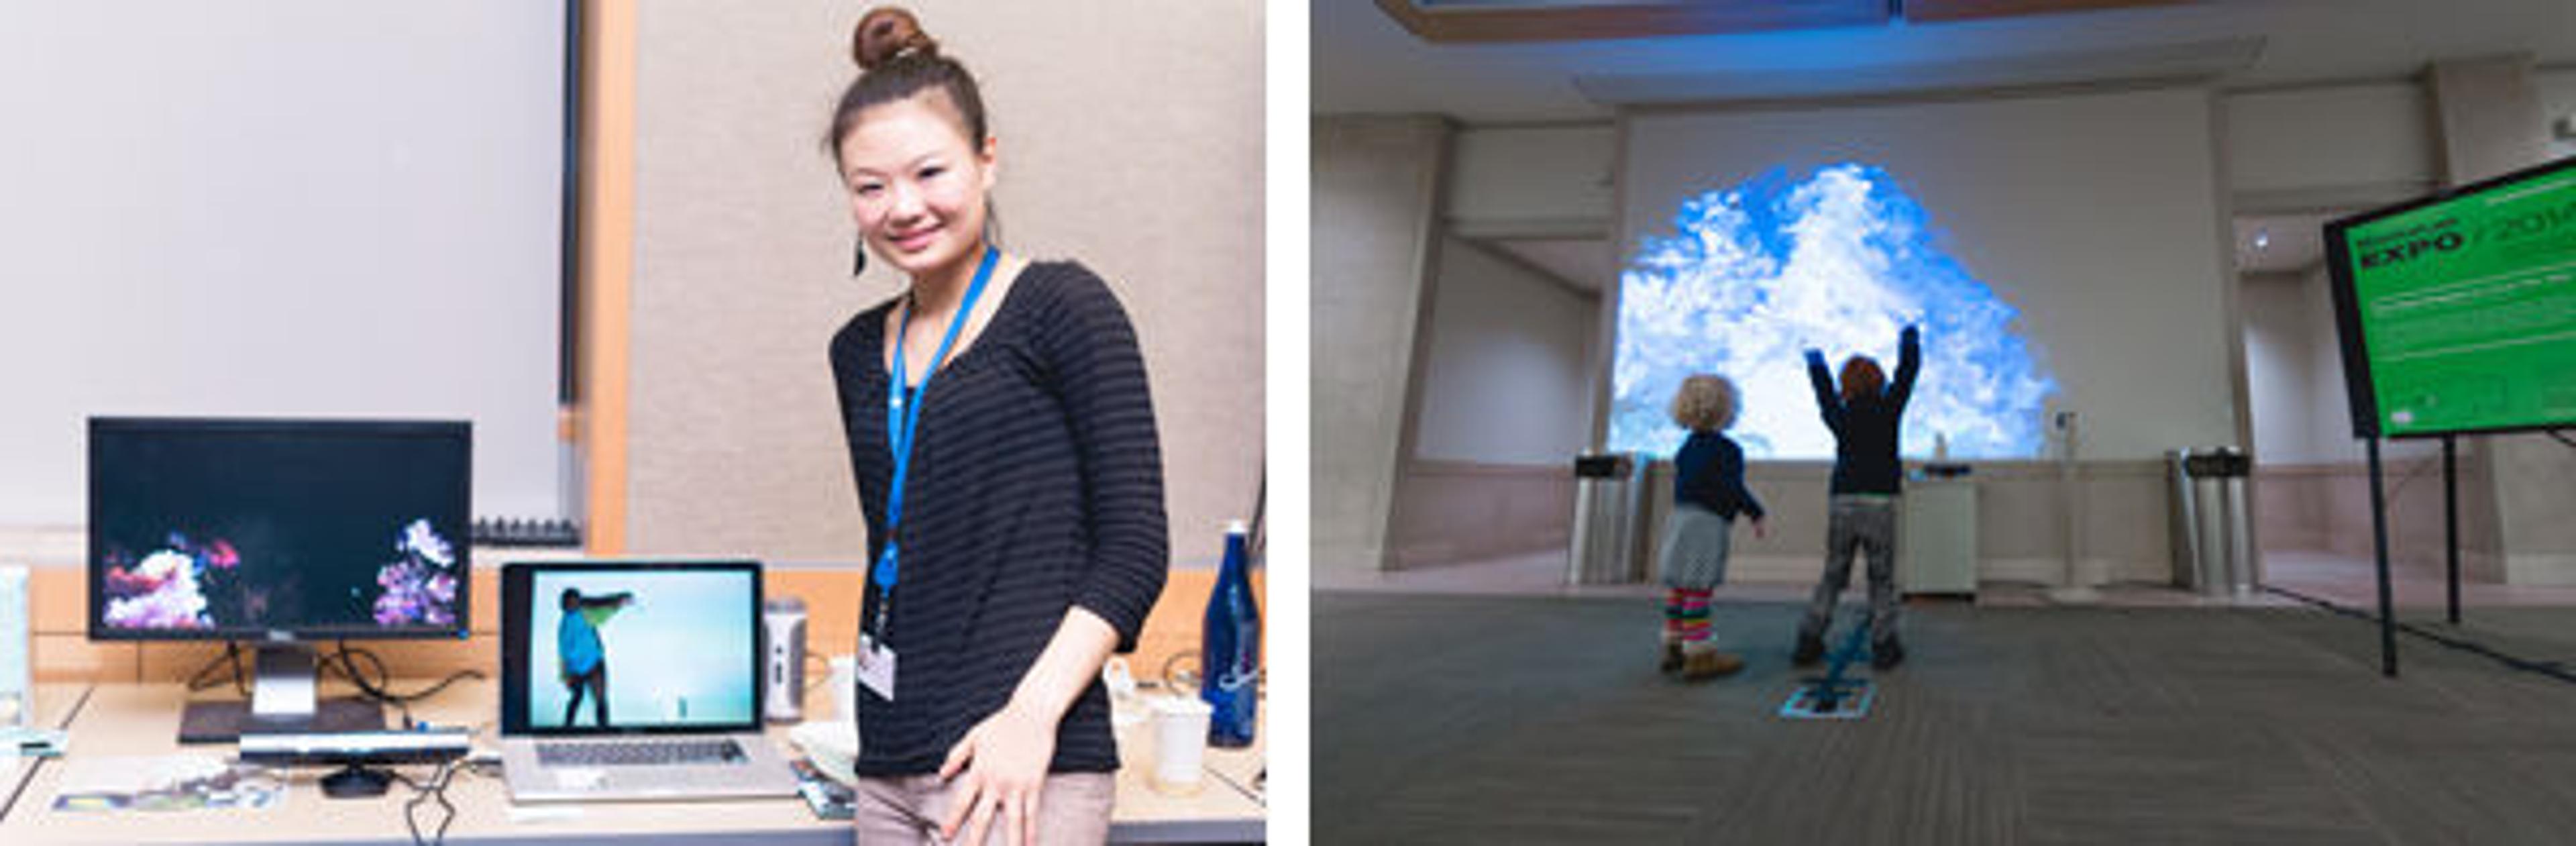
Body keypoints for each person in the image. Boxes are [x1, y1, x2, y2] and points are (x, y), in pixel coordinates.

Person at [823, 8, 1169, 846]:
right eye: (871, 186)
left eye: (929, 172)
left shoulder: (1062, 307)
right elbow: (906, 550)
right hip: (889, 760)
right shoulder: (857, 352)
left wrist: (1030, 718)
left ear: (986, 159)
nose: (902, 207)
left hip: (1021, 763)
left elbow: (1133, 548)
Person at [1795, 324, 1921, 671]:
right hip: (1880, 500)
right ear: (1879, 381)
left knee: (1833, 575)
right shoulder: (1890, 408)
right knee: (1881, 578)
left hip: (1844, 500)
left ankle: (1808, 641)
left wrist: (1815, 359)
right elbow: (1908, 374)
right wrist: (1909, 340)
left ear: (1845, 385)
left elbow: (1822, 393)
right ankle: (1884, 646)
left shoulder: (1839, 414)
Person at [1656, 374, 1766, 681]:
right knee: (1699, 589)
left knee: (1679, 586)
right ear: (1728, 409)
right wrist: (1755, 512)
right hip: (1707, 525)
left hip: (1679, 520)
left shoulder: (1686, 448)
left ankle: (1673, 645)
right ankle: (1700, 655)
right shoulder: (1728, 450)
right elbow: (1733, 489)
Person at [557, 587, 633, 727]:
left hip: (593, 664)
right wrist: (565, 675)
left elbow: (602, 611)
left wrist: (619, 603)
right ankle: (567, 727)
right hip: (577, 669)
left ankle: (603, 729)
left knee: (599, 700)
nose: (574, 605)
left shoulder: (583, 614)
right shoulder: (565, 624)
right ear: (565, 605)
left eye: (576, 602)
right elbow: (562, 653)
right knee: (578, 698)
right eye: (571, 603)